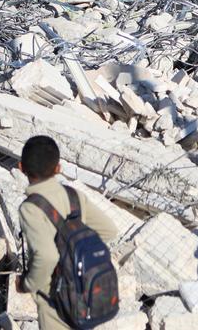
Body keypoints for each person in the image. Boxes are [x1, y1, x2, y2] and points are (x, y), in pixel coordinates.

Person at [17, 135, 119, 330]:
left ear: (21, 167)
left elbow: (47, 256)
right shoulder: (73, 195)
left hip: (54, 301)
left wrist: (27, 284)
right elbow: (108, 230)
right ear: (58, 168)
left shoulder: (30, 208)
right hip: (82, 293)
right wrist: (76, 259)